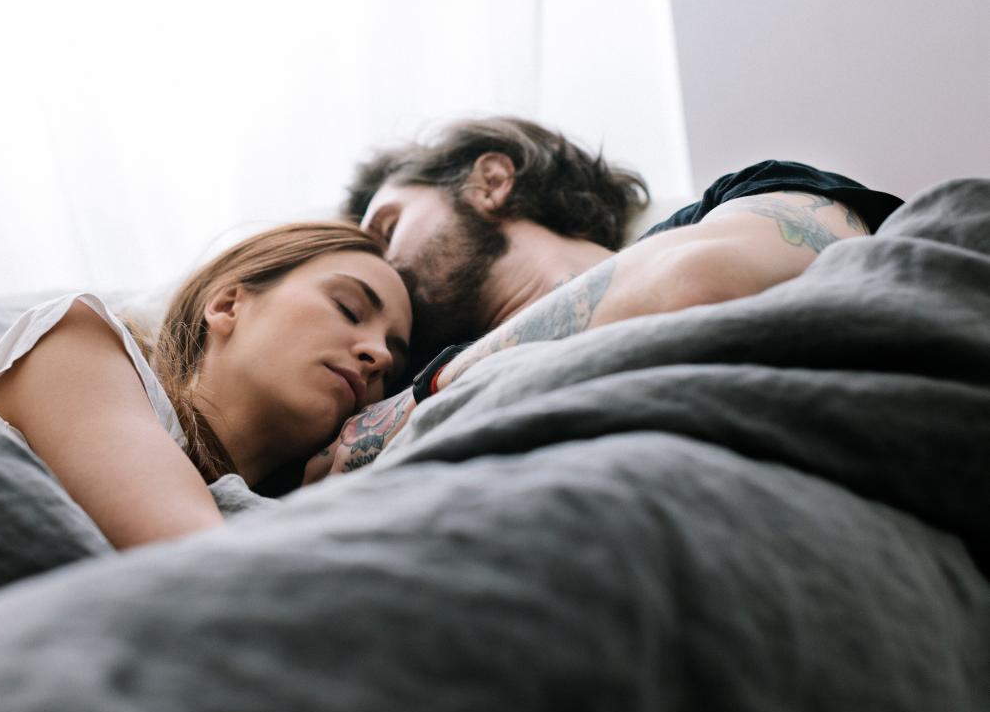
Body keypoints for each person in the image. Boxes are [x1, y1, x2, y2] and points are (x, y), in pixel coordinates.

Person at [303, 116, 903, 482]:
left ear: (490, 182)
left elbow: (705, 284)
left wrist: (426, 394)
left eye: (386, 228)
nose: (381, 274)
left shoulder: (741, 198)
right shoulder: (384, 388)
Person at [0, 222, 411, 548]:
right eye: (348, 309)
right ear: (229, 304)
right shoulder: (76, 341)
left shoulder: (287, 511)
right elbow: (202, 568)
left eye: (393, 365)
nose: (380, 356)